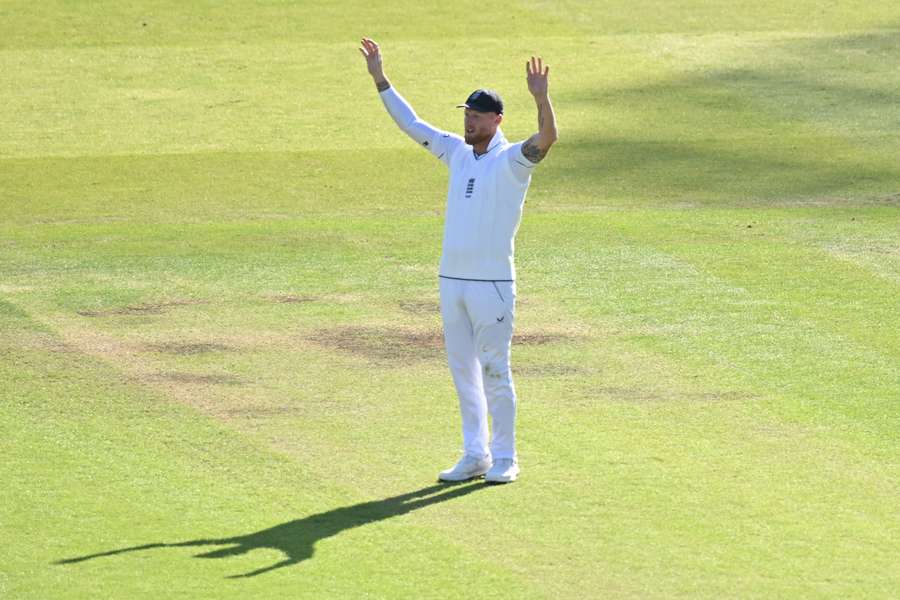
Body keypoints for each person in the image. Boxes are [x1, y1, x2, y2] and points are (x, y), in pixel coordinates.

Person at [358, 37, 558, 483]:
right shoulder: (456, 152)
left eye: (476, 115)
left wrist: (542, 100)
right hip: (452, 281)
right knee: (462, 370)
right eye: (465, 114)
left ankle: (505, 459)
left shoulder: (511, 161)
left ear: (496, 120)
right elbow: (412, 124)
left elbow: (546, 139)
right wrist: (380, 79)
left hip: (492, 286)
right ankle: (475, 453)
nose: (468, 121)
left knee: (495, 370)